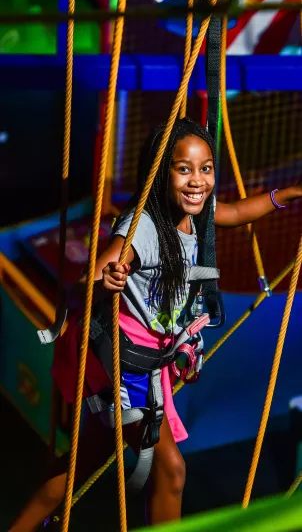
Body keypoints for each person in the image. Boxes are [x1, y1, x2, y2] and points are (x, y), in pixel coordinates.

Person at [9, 117, 302, 531]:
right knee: (171, 470)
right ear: (160, 173)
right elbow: (88, 282)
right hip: (122, 367)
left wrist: (284, 195)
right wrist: (107, 279)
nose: (198, 180)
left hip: (147, 363)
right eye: (184, 169)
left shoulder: (194, 213)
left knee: (79, 464)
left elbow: (236, 212)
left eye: (206, 168)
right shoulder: (142, 226)